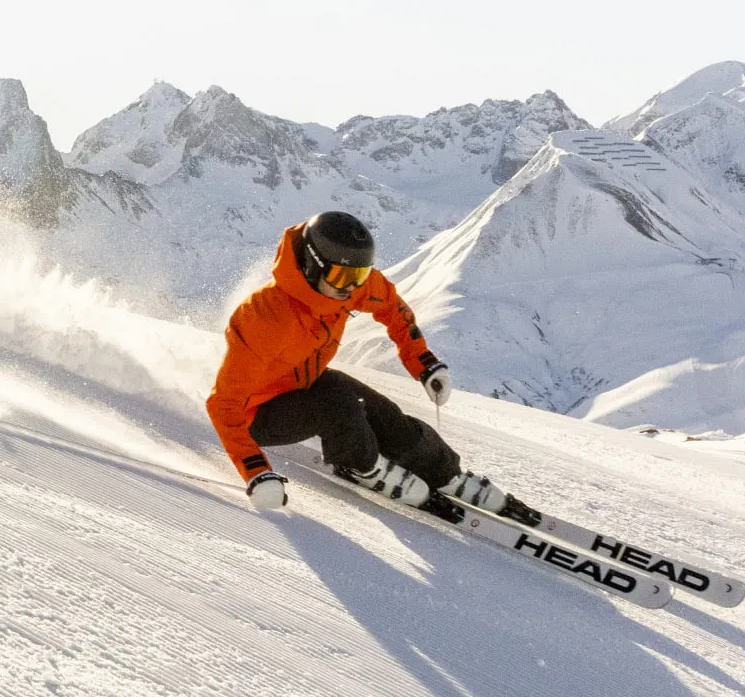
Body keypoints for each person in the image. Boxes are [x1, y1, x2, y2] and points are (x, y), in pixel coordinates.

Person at [205, 211, 541, 525]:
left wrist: (424, 363)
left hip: (306, 386)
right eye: (342, 277)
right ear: (311, 265)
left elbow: (393, 308)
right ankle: (361, 465)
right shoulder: (265, 317)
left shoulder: (342, 289)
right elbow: (224, 405)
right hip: (260, 415)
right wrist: (256, 472)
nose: (352, 288)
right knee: (337, 401)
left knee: (380, 411)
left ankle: (445, 473)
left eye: (359, 276)